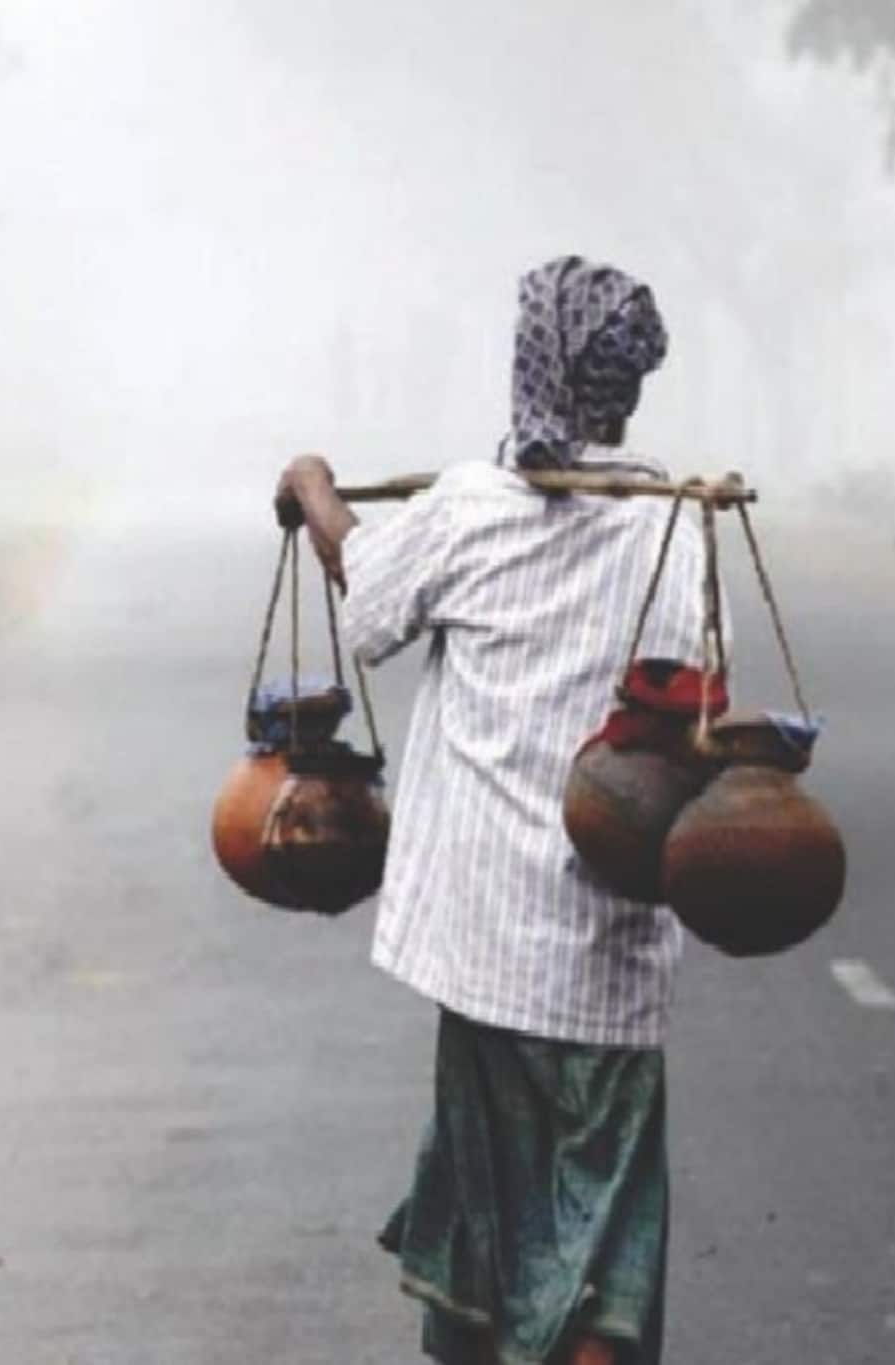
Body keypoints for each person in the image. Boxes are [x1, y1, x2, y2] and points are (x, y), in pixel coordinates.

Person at [274, 255, 709, 1365]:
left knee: (491, 1220)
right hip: (604, 953)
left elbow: (362, 590)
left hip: (484, 950)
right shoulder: (669, 525)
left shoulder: (470, 508)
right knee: (598, 1231)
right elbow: (689, 715)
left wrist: (315, 485)